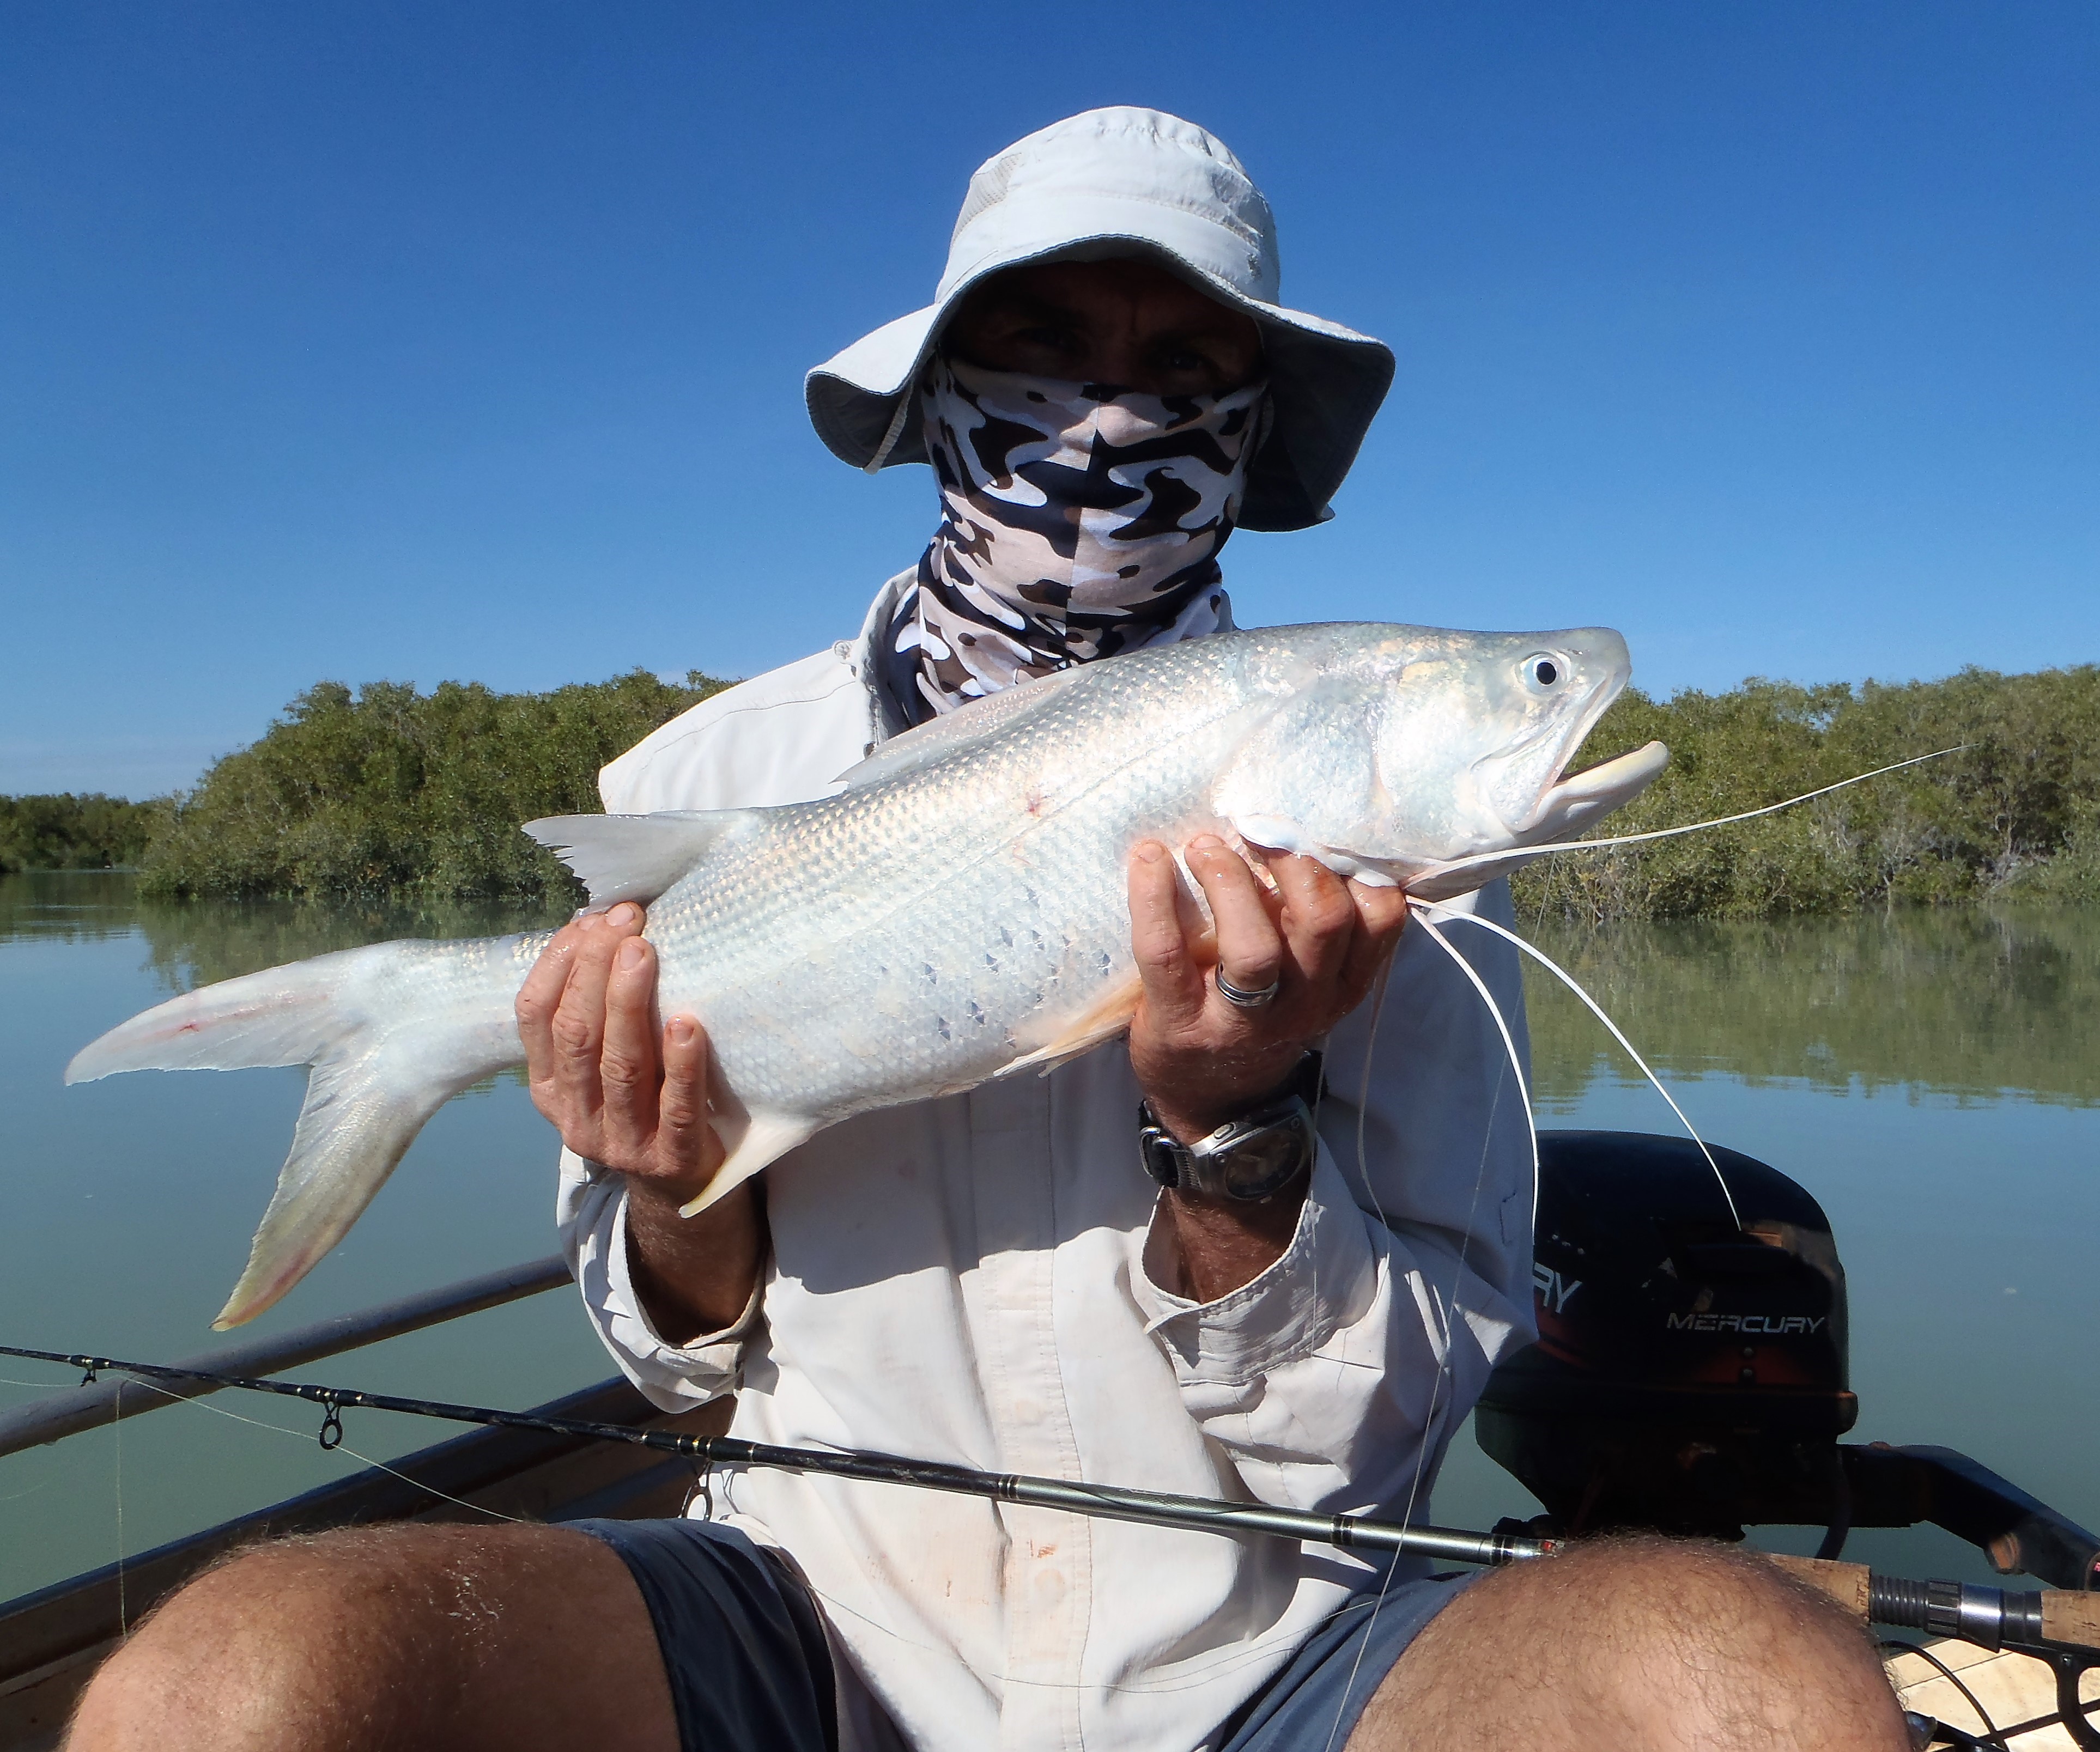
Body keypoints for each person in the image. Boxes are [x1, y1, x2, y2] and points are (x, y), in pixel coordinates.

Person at [69, 108, 1908, 1752]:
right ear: (941, 389)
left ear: (1255, 430)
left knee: (1755, 1698)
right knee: (216, 1688)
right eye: (1040, 346)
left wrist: (1236, 1134)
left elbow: (1384, 1433)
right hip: (811, 1613)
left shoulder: (1412, 887)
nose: (1108, 416)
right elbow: (678, 1373)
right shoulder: (707, 778)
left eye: (1185, 364)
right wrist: (663, 1190)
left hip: (1275, 1645)